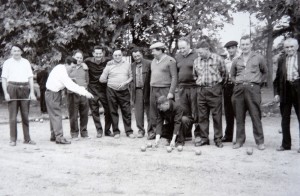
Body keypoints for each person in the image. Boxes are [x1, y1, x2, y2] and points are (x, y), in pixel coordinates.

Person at [45, 56, 94, 144]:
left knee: (53, 115)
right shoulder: (62, 72)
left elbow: (65, 81)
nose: (73, 69)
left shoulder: (59, 68)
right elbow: (71, 86)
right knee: (56, 115)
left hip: (53, 93)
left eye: (75, 67)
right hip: (52, 94)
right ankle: (59, 137)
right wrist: (86, 93)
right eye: (72, 67)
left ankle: (54, 135)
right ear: (66, 64)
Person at [231, 35, 267, 150]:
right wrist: (236, 82)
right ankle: (239, 140)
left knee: (255, 115)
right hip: (239, 89)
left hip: (253, 89)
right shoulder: (236, 60)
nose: (245, 46)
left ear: (251, 45)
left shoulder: (259, 57)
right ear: (240, 46)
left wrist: (257, 84)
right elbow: (232, 75)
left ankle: (260, 142)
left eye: (247, 44)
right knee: (239, 116)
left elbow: (265, 72)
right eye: (243, 45)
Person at [1, 44, 37, 146]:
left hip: (25, 88)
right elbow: (4, 79)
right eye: (14, 51)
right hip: (12, 88)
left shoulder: (26, 62)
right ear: (11, 52)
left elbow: (30, 77)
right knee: (13, 116)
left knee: (25, 115)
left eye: (18, 51)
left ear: (21, 52)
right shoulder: (7, 63)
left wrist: (32, 92)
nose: (16, 52)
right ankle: (13, 139)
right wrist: (6, 93)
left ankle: (27, 138)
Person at [193, 41, 226, 148]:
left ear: (207, 50)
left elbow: (224, 74)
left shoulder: (218, 59)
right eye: (198, 53)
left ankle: (218, 139)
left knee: (217, 116)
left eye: (201, 52)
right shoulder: (196, 61)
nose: (199, 55)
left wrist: (218, 87)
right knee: (202, 116)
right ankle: (204, 138)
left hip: (215, 89)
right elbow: (194, 75)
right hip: (201, 91)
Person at [100, 49, 135, 139]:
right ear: (113, 56)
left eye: (119, 55)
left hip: (124, 90)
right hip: (111, 90)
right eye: (115, 55)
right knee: (113, 111)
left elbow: (131, 77)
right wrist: (111, 81)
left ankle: (129, 131)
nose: (117, 57)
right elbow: (101, 79)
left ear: (122, 55)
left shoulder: (127, 65)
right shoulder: (109, 65)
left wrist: (125, 82)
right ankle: (116, 131)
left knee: (127, 111)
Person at [274, 38, 300, 153]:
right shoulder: (281, 59)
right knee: (285, 119)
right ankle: (285, 144)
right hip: (285, 90)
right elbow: (277, 79)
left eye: (292, 47)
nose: (289, 49)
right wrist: (276, 94)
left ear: (297, 47)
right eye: (287, 47)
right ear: (284, 48)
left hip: (298, 89)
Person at [149, 42, 177, 140]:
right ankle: (155, 132)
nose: (152, 53)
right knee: (154, 112)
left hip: (165, 89)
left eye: (154, 51)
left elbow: (174, 77)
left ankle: (169, 133)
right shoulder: (153, 61)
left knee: (167, 112)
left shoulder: (170, 60)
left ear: (160, 50)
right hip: (154, 89)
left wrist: (171, 92)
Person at [175, 37, 201, 143]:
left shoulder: (196, 55)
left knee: (196, 111)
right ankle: (187, 133)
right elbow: (176, 72)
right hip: (182, 88)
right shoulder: (177, 57)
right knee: (184, 112)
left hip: (194, 87)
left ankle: (198, 134)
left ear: (189, 46)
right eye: (180, 48)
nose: (182, 50)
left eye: (183, 48)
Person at [85, 46, 113, 138]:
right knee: (94, 110)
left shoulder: (108, 60)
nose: (98, 55)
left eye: (100, 53)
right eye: (96, 53)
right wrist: (82, 65)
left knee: (108, 109)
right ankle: (99, 130)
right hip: (92, 88)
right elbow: (78, 62)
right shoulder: (87, 61)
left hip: (104, 88)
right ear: (93, 53)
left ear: (103, 53)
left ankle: (107, 130)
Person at [67, 50, 90, 139]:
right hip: (72, 93)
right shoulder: (69, 67)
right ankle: (74, 133)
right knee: (73, 114)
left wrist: (84, 89)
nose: (79, 59)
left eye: (81, 58)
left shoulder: (85, 68)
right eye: (77, 57)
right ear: (73, 57)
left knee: (84, 114)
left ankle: (84, 133)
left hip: (83, 93)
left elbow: (87, 80)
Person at [131, 48, 153, 138]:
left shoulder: (149, 63)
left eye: (138, 55)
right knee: (138, 112)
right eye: (135, 56)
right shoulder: (132, 65)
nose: (137, 58)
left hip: (148, 89)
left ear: (142, 55)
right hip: (137, 90)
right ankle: (141, 130)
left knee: (150, 111)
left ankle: (151, 131)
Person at [222, 40, 239, 143]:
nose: (231, 50)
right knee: (228, 112)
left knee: (238, 112)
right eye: (229, 48)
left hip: (237, 86)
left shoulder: (240, 59)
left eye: (233, 48)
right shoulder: (226, 60)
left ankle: (240, 137)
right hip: (227, 87)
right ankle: (228, 136)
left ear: (236, 48)